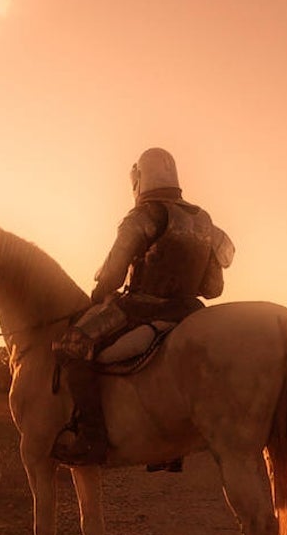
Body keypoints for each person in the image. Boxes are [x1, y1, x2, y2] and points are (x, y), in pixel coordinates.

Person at [51, 147, 235, 466]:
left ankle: (91, 439)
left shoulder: (144, 216)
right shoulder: (206, 223)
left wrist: (98, 293)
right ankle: (171, 450)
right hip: (189, 311)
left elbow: (113, 275)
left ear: (140, 179)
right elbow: (213, 289)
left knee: (72, 345)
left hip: (141, 308)